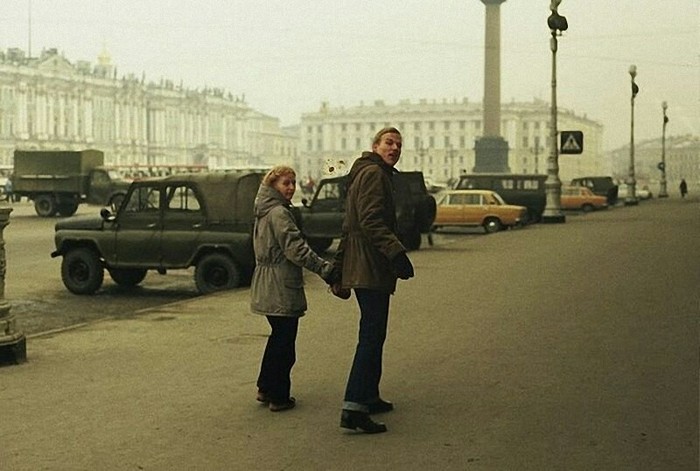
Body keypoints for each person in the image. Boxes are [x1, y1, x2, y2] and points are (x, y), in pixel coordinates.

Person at [332, 127, 414, 434]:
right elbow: (368, 221)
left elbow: (348, 225)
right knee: (370, 335)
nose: (394, 148)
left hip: (365, 264)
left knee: (374, 332)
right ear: (375, 146)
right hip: (370, 265)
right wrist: (396, 253)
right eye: (389, 143)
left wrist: (338, 269)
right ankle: (353, 407)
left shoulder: (368, 173)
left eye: (398, 145)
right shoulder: (374, 175)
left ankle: (368, 395)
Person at [250, 165, 338, 412]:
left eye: (293, 183)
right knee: (285, 344)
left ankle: (265, 387)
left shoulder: (263, 210)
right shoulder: (279, 213)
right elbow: (296, 249)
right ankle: (278, 396)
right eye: (285, 183)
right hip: (280, 283)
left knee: (278, 337)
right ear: (272, 186)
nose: (290, 188)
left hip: (267, 281)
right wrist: (325, 270)